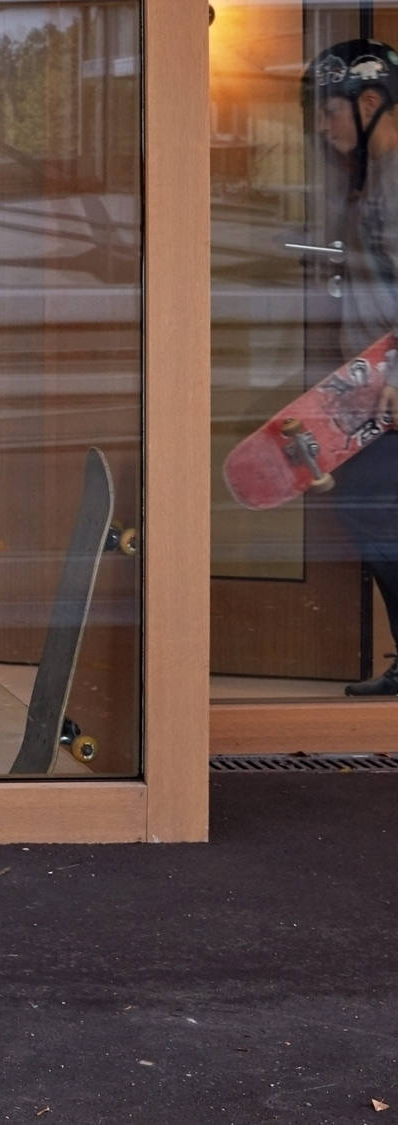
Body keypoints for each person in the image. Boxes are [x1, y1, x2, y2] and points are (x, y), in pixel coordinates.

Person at [303, 39, 398, 694]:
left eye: (328, 110)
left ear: (370, 102)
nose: (321, 125)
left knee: (374, 511)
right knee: (371, 515)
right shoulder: (373, 177)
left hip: (388, 386)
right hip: (368, 385)